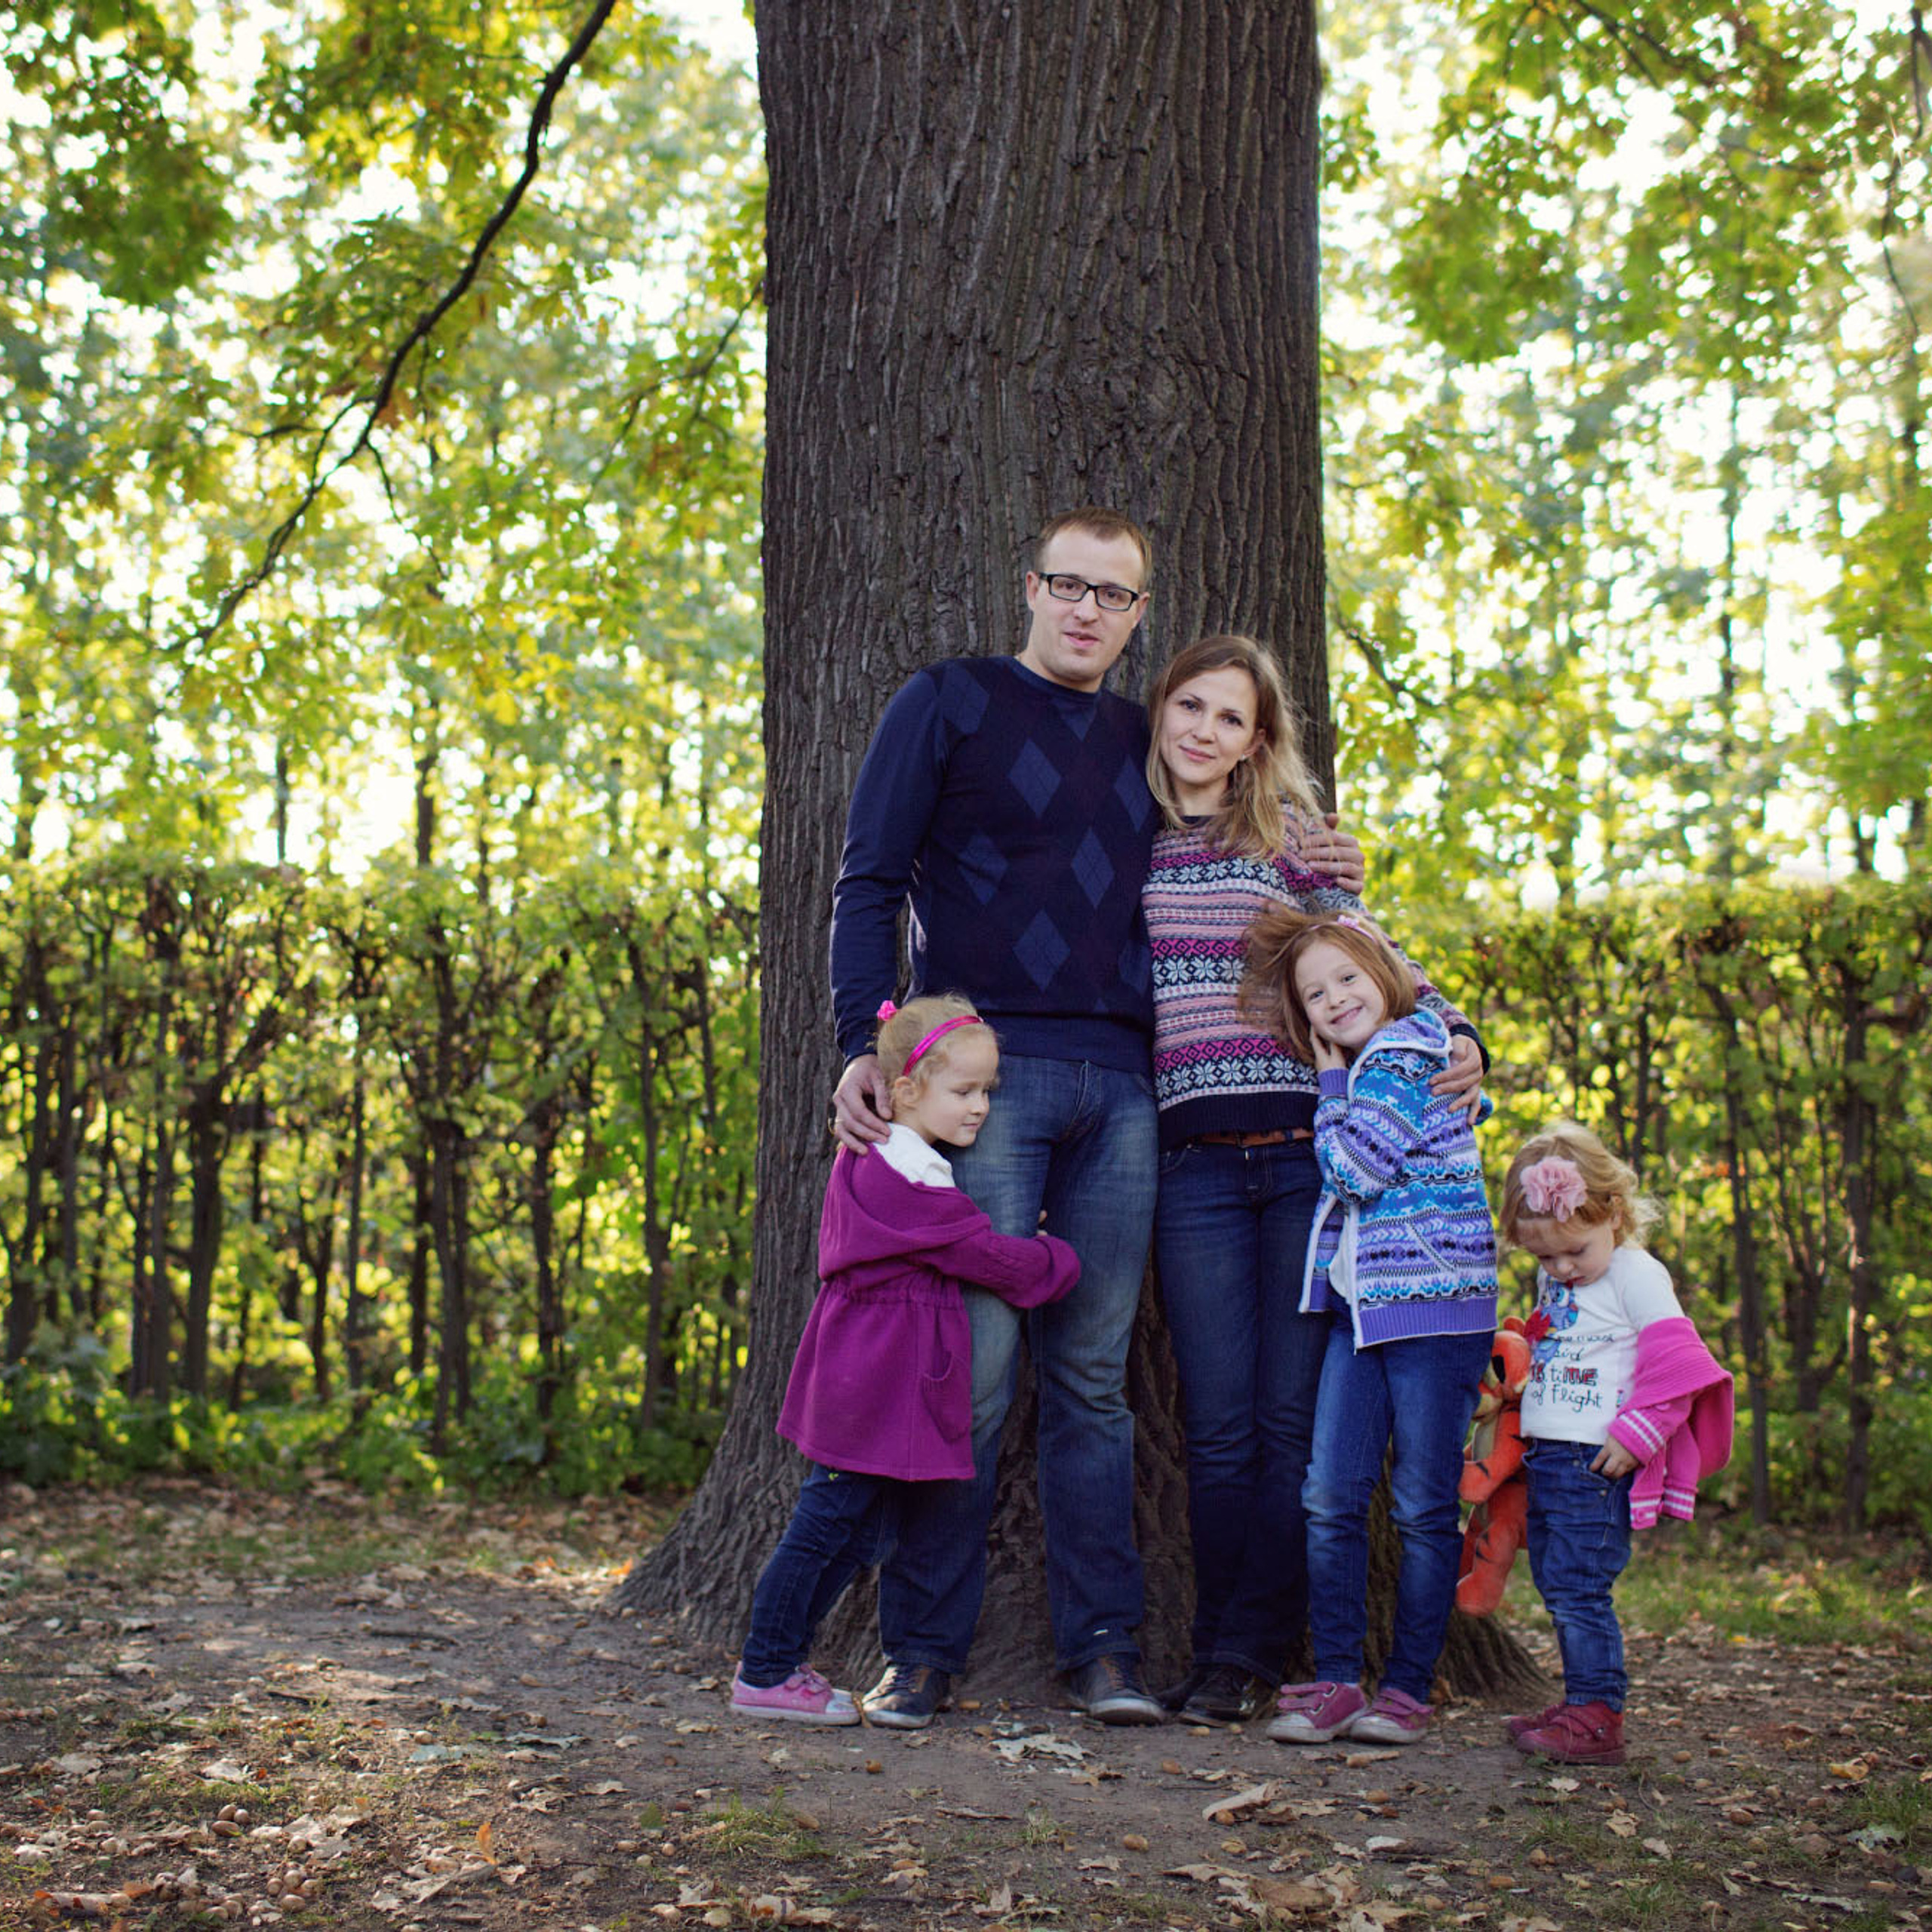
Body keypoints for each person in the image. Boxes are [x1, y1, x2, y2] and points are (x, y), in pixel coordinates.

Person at [1142, 635, 1485, 1725]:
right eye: (1189, 707)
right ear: (1162, 716)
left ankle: (1254, 1653)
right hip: (1189, 1166)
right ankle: (1213, 1647)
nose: (1205, 730)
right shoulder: (1125, 838)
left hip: (1307, 1162)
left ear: (1256, 744)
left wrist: (1461, 1029)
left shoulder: (1294, 845)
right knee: (1219, 1426)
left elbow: (1379, 967)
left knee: (1292, 1426)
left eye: (1231, 718)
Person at [732, 996, 1079, 1725]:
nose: (980, 1107)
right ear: (906, 1090)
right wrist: (1055, 1254)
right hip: (868, 1378)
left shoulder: (901, 1163)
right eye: (964, 1091)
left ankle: (782, 1663)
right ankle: (765, 1667)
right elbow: (987, 1257)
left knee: (859, 1529)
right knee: (826, 1523)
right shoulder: (901, 1175)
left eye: (988, 1090)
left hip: (871, 1375)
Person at [1238, 909, 1497, 1747]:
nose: (1334, 999)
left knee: (1420, 1505)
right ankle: (1341, 1678)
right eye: (1314, 994)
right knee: (1332, 1494)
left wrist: (1329, 1087)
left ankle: (1406, 1690)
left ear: (1387, 974)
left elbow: (1352, 1169)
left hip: (1431, 1311)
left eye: (1347, 977)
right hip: (1364, 1313)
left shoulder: (1401, 1052)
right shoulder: (1405, 1049)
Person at [1497, 1124, 1734, 1765]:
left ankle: (1599, 1716)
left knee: (1579, 1588)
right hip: (1552, 1458)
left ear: (1615, 1215)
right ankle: (1580, 1700)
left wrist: (1639, 1435)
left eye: (1574, 1252)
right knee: (1556, 1580)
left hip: (1595, 1463)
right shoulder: (1564, 1279)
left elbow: (1681, 1368)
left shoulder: (1637, 1273)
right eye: (1545, 1259)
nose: (1562, 1269)